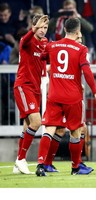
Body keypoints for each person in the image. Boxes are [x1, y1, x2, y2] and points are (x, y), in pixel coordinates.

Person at [35, 17, 96, 176]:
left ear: (64, 29)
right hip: (72, 97)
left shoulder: (52, 46)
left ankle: (41, 164)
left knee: (49, 129)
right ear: (78, 31)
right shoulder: (81, 49)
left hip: (54, 95)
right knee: (76, 131)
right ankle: (75, 167)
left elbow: (40, 58)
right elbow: (87, 72)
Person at [12, 14, 49, 174]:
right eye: (40, 27)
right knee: (36, 122)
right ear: (33, 27)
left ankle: (18, 165)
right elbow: (26, 38)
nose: (42, 30)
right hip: (24, 86)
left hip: (36, 88)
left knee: (27, 126)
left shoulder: (44, 43)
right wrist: (33, 28)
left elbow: (42, 65)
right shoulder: (26, 41)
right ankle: (21, 158)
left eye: (45, 27)